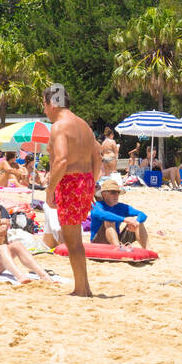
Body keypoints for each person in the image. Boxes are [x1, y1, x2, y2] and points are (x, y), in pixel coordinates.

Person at [44, 83, 101, 297]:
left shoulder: (60, 126)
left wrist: (50, 190)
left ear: (52, 103)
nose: (45, 111)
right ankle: (83, 287)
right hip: (85, 181)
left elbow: (61, 160)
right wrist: (90, 184)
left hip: (70, 182)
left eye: (45, 105)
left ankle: (81, 289)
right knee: (75, 237)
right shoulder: (84, 125)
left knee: (73, 239)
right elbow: (98, 158)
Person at [90, 178, 149, 247]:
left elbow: (142, 214)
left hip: (116, 239)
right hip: (98, 242)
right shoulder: (96, 205)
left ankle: (148, 249)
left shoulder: (121, 207)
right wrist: (125, 219)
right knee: (109, 221)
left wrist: (137, 222)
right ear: (104, 194)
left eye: (118, 192)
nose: (116, 195)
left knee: (138, 223)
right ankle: (118, 249)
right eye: (113, 192)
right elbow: (102, 215)